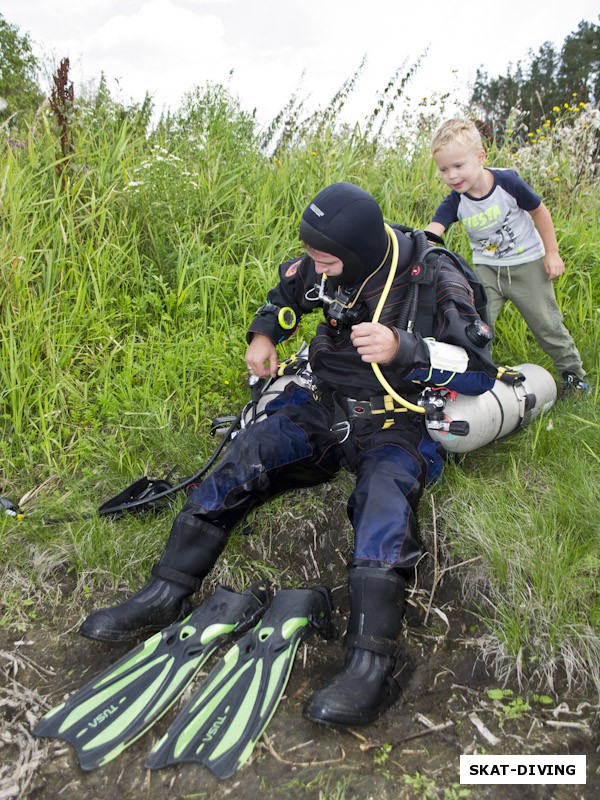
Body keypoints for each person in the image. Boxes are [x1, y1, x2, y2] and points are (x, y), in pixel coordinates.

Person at [80, 182, 500, 727]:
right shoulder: (321, 267)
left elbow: (479, 369)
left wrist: (406, 348)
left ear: (358, 252)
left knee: (382, 501)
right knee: (247, 452)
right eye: (313, 256)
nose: (315, 268)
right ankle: (167, 591)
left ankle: (371, 663)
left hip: (399, 418)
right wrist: (263, 337)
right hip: (322, 404)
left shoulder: (433, 273)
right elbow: (283, 299)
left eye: (325, 258)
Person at [425, 118, 588, 395]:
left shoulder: (507, 182)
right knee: (477, 326)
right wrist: (413, 242)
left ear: (480, 157)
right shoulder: (455, 201)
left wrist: (552, 253)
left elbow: (540, 212)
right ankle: (479, 376)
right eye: (444, 169)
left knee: (547, 325)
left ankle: (574, 375)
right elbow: (433, 230)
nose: (451, 176)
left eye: (458, 166)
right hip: (487, 270)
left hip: (527, 265)